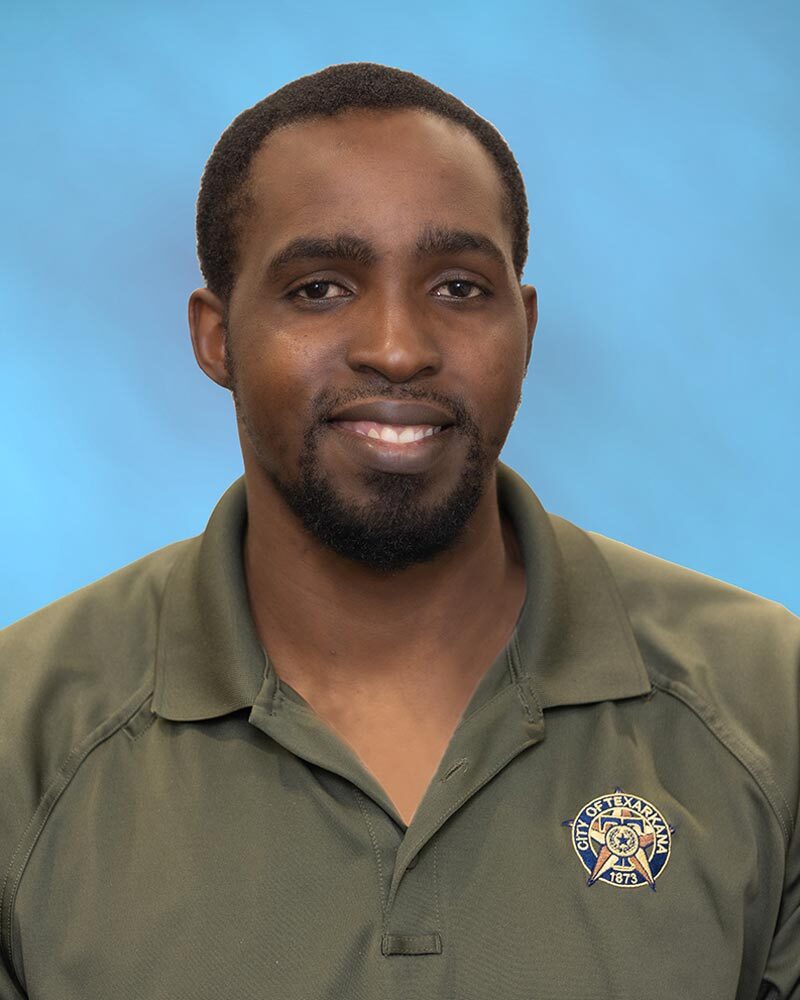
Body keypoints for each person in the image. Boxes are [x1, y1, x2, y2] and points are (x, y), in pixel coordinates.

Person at [0, 62, 797, 1000]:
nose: (398, 346)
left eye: (459, 288)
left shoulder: (769, 704)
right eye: (320, 288)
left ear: (526, 329)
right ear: (216, 337)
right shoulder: (24, 735)